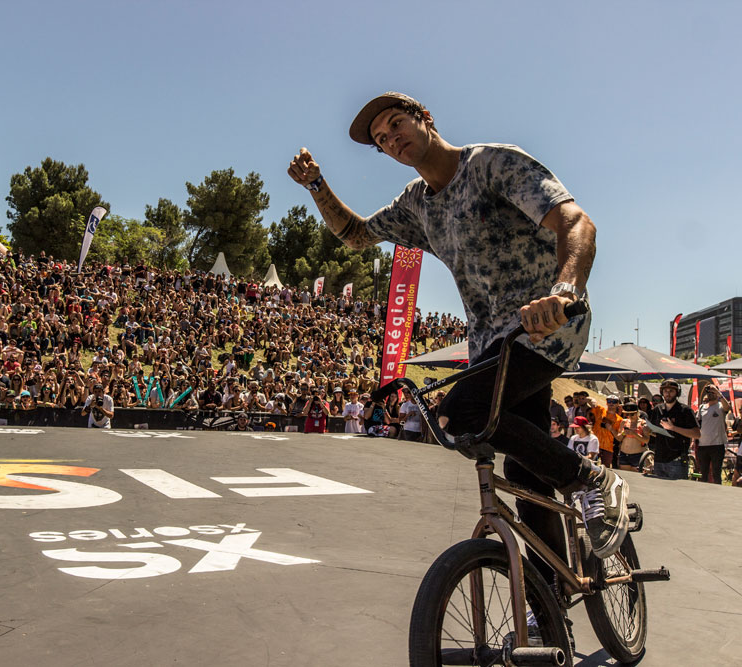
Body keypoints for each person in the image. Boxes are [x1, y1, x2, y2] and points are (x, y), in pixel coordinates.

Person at [288, 90, 626, 563]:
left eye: (396, 124)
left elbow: (576, 221)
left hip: (548, 325)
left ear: (424, 118)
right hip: (493, 345)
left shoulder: (491, 164)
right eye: (382, 140)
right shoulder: (415, 205)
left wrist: (565, 289)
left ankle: (591, 478)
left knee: (460, 413)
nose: (392, 139)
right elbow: (357, 236)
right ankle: (551, 601)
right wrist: (317, 185)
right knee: (527, 475)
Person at [645, 380, 700, 480]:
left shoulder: (685, 410)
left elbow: (697, 434)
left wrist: (673, 428)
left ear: (677, 393)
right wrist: (647, 430)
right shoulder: (658, 409)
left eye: (671, 391)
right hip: (659, 459)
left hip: (676, 460)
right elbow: (654, 432)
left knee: (677, 493)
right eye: (665, 391)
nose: (668, 394)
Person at [696, 384, 731, 484]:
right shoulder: (702, 407)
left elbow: (727, 407)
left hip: (717, 444)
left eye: (713, 392)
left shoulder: (720, 406)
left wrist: (718, 392)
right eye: (709, 392)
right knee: (704, 473)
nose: (711, 394)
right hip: (703, 444)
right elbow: (698, 423)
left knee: (716, 473)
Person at [615, 402, 650, 472]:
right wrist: (623, 433)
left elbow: (646, 440)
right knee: (625, 476)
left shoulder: (643, 423)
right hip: (624, 454)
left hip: (637, 455)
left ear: (637, 412)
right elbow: (618, 438)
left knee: (636, 477)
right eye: (627, 414)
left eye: (632, 414)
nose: (630, 416)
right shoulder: (624, 422)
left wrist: (634, 434)